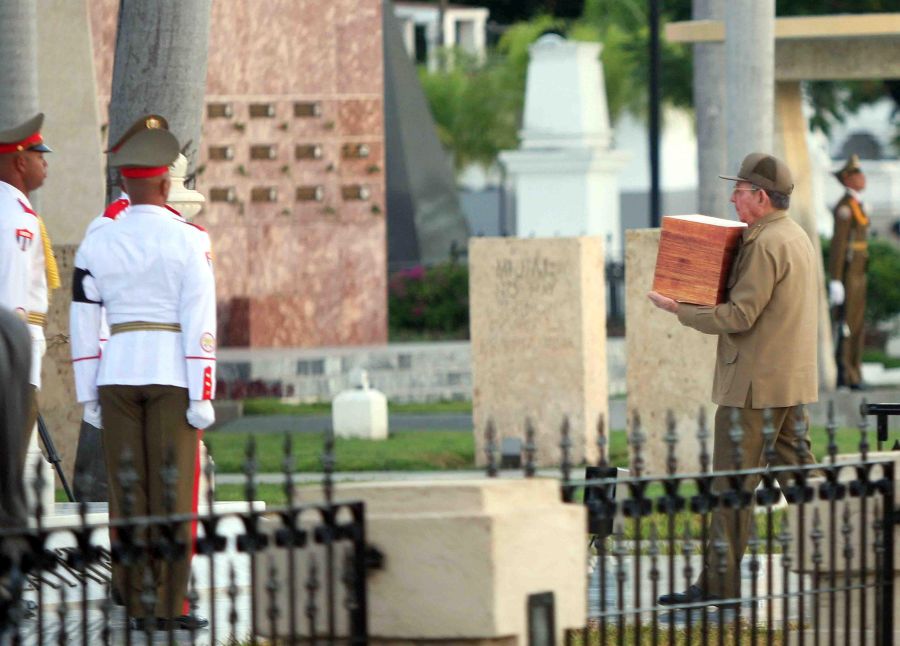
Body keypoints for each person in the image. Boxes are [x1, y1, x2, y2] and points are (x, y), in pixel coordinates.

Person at [647, 152, 819, 606]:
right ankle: (855, 553)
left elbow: (741, 315)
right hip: (788, 383)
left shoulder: (763, 244)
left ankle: (717, 590)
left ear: (761, 197)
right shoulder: (794, 235)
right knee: (805, 481)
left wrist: (678, 309)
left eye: (740, 192)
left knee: (732, 486)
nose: (732, 198)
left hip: (752, 387)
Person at [70, 126, 216, 631]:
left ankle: (136, 602)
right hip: (172, 373)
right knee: (172, 492)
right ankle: (169, 604)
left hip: (116, 374)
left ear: (126, 182)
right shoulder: (188, 240)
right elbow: (200, 322)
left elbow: (83, 318)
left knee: (127, 491)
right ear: (164, 181)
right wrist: (203, 392)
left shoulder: (99, 239)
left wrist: (86, 389)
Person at [72, 113, 171, 503]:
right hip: (119, 371)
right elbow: (92, 312)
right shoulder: (107, 227)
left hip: (157, 370)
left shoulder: (171, 226)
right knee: (114, 492)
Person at [0, 113, 57, 464]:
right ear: (20, 162)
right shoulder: (17, 218)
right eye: (39, 156)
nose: (44, 164)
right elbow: (11, 292)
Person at [829, 154, 869, 390]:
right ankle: (846, 372)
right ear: (847, 179)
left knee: (857, 323)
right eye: (858, 174)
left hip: (859, 271)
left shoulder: (857, 204)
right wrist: (836, 279)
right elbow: (839, 245)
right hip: (847, 274)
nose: (863, 178)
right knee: (847, 324)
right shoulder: (844, 208)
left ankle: (856, 370)